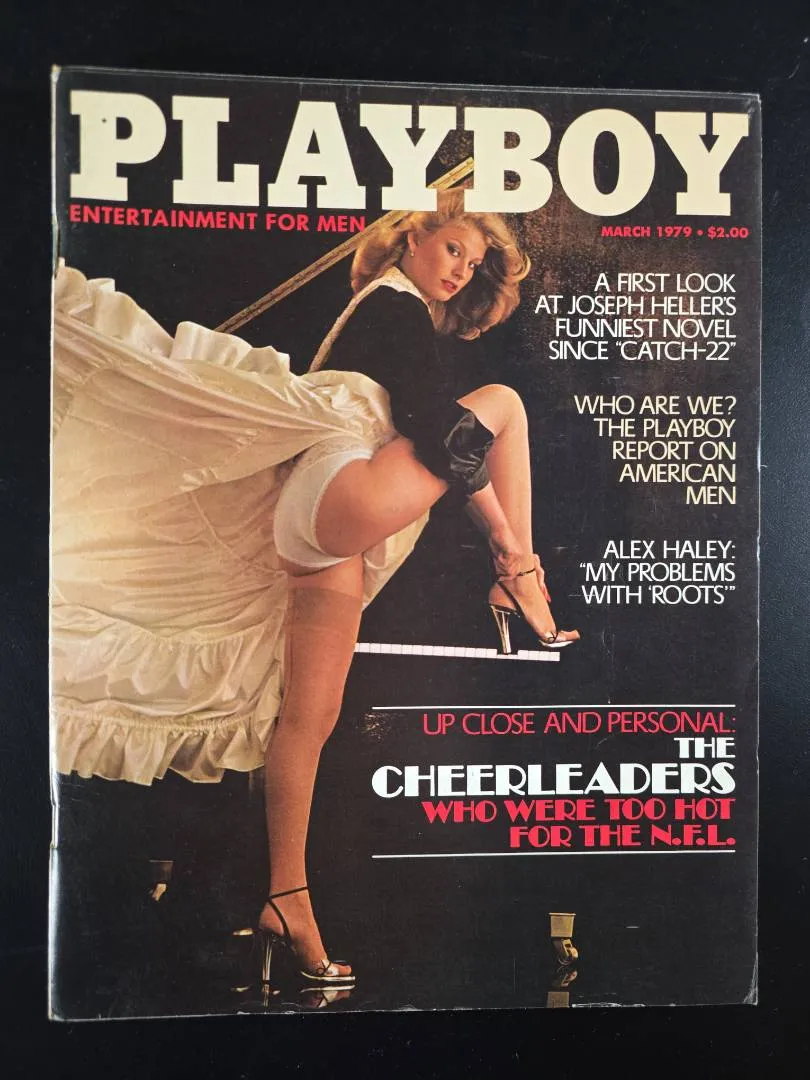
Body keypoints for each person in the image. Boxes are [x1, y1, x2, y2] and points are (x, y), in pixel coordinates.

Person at [50, 188, 578, 992]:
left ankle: (285, 902)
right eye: (452, 250)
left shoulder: (377, 312)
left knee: (308, 720)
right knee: (502, 405)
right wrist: (509, 550)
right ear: (410, 239)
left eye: (472, 265)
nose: (459, 272)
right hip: (340, 494)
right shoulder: (393, 304)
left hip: (323, 528)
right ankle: (520, 579)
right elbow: (437, 426)